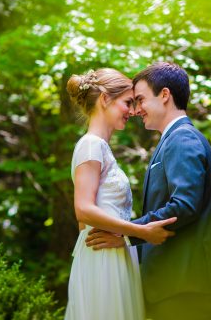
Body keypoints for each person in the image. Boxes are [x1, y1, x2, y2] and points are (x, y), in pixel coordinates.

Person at [86, 62, 211, 320]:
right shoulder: (173, 139)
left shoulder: (182, 138)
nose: (136, 110)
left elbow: (184, 205)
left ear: (164, 95)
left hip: (185, 284)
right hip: (174, 285)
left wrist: (128, 234)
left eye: (140, 100)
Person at [64, 67, 177, 320]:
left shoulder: (101, 148)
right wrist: (139, 232)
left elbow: (87, 221)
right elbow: (83, 210)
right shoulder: (91, 145)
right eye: (128, 102)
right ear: (105, 99)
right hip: (103, 259)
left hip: (114, 253)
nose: (135, 111)